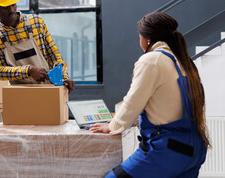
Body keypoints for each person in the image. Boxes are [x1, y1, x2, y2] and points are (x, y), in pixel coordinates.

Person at [90, 11, 210, 177]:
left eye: (139, 37)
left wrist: (112, 126)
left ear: (147, 39)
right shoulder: (184, 61)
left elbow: (133, 101)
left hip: (167, 151)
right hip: (194, 150)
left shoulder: (152, 60)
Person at [0, 0, 75, 91]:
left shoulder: (36, 22)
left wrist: (63, 77)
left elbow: (53, 54)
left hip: (49, 89)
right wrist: (28, 71)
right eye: (5, 7)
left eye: (13, 5)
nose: (11, 10)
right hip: (19, 94)